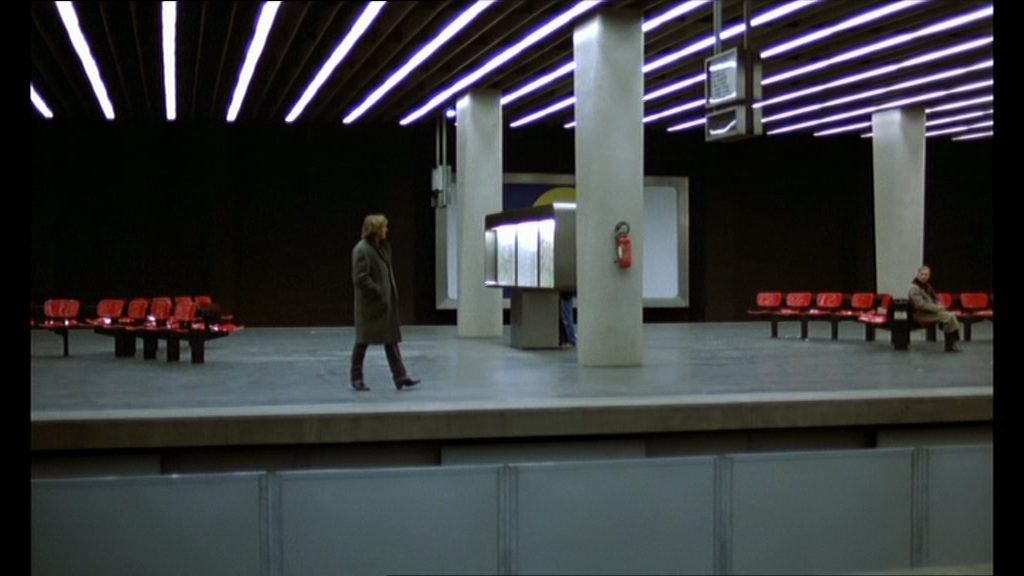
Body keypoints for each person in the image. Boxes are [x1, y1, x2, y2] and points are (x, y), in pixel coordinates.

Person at [350, 214, 421, 390]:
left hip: (383, 304)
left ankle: (400, 376)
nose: (386, 230)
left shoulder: (381, 248)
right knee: (362, 341)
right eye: (383, 227)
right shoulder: (362, 250)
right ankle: (356, 378)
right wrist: (378, 293)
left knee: (390, 341)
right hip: (370, 305)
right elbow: (361, 278)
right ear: (375, 229)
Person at [908, 265, 962, 352]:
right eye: (922, 274)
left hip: (929, 312)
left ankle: (952, 342)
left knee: (951, 315)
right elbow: (921, 305)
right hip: (920, 314)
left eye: (926, 275)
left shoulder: (927, 286)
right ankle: (950, 345)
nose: (924, 277)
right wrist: (937, 308)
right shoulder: (914, 288)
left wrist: (939, 305)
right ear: (918, 275)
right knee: (948, 317)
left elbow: (934, 299)